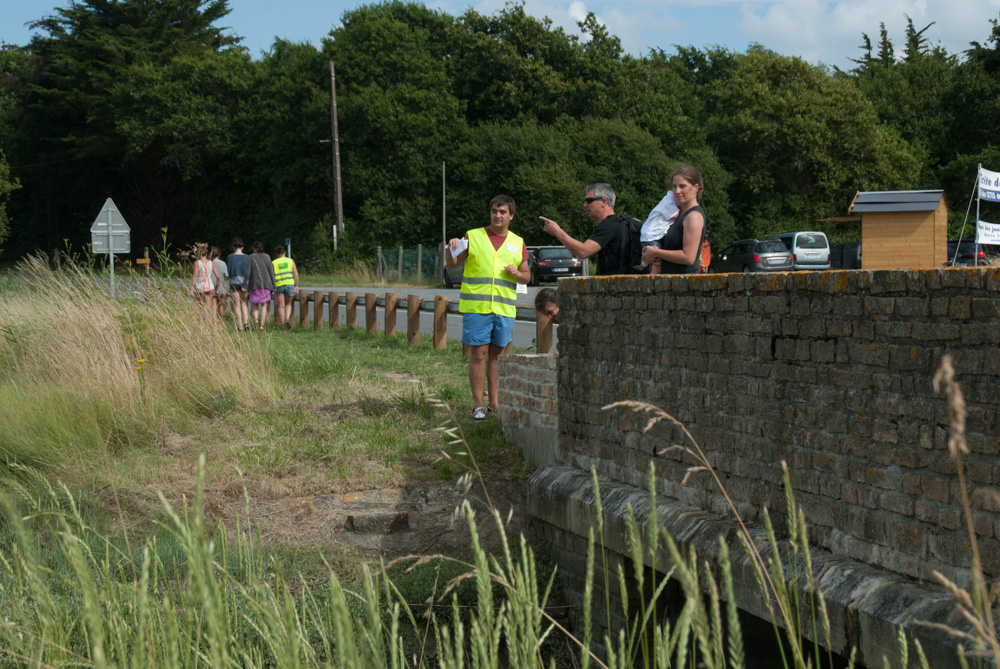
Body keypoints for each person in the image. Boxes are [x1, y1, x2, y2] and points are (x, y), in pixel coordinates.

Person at [446, 194, 530, 421]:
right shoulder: (473, 236)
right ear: (490, 213)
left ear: (511, 215)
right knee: (479, 354)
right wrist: (451, 246)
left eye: (503, 212)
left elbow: (526, 277)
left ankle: (494, 403)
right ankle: (477, 405)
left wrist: (518, 273)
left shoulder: (518, 242)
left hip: (504, 308)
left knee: (498, 355)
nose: (498, 215)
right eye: (494, 211)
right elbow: (453, 262)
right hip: (477, 306)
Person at [539, 183, 633, 276]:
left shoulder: (609, 224)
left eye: (589, 200)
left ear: (604, 202)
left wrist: (557, 232)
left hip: (614, 285)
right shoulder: (625, 222)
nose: (584, 205)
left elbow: (583, 252)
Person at [641, 163, 707, 274]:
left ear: (695, 188)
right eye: (674, 186)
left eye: (682, 186)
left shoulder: (693, 216)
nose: (677, 191)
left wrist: (656, 253)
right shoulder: (676, 214)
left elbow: (688, 257)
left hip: (685, 284)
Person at [639, 191, 679, 275]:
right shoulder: (669, 200)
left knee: (655, 263)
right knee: (657, 265)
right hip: (651, 237)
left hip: (650, 236)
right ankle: (652, 284)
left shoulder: (671, 199)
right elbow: (675, 215)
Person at [245, 241, 275, 331]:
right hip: (266, 284)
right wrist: (274, 285)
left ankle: (256, 320)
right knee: (264, 305)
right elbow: (271, 272)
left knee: (254, 304)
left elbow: (247, 272)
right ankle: (262, 325)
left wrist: (244, 284)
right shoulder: (267, 256)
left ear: (254, 248)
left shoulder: (251, 257)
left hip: (254, 284)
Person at [272, 244, 299, 330]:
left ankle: (282, 325)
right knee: (288, 304)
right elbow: (296, 274)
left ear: (276, 254)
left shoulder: (274, 262)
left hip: (279, 286)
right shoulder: (290, 261)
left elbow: (272, 276)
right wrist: (296, 285)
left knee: (280, 306)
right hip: (289, 285)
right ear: (284, 252)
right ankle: (287, 319)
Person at [227, 238, 250, 332]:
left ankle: (240, 326)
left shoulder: (230, 257)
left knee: (236, 305)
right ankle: (246, 322)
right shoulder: (247, 257)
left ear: (233, 247)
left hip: (234, 281)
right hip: (245, 282)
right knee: (244, 303)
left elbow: (229, 270)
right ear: (242, 247)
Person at [189, 243, 219, 312]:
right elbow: (218, 276)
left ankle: (201, 321)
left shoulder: (197, 263)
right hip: (209, 287)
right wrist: (217, 285)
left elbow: (195, 275)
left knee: (200, 307)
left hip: (199, 287)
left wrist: (192, 288)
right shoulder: (211, 263)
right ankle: (207, 320)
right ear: (206, 254)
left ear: (198, 254)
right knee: (208, 307)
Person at [210, 246, 229, 320]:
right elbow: (226, 275)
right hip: (221, 287)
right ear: (219, 254)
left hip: (211, 287)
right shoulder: (223, 263)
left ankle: (213, 321)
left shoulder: (209, 263)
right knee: (221, 305)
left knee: (213, 305)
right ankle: (220, 321)